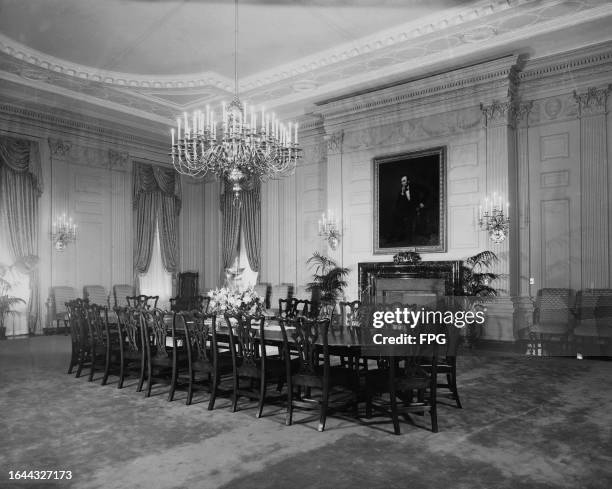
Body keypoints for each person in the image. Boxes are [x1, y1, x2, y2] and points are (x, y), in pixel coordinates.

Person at [393, 175, 427, 243]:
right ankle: (408, 240)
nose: (402, 183)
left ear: (408, 181)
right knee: (407, 224)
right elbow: (398, 203)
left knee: (418, 224)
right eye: (401, 181)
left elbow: (427, 192)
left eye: (404, 181)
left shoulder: (416, 187)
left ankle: (419, 238)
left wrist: (422, 202)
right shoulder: (401, 191)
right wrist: (402, 193)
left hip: (417, 208)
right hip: (408, 211)